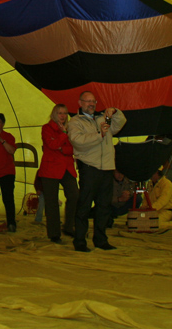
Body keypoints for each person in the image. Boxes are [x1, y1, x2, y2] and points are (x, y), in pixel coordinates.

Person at [68, 91, 126, 252]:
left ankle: (101, 240)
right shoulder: (75, 122)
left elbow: (120, 123)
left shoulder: (102, 118)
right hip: (89, 168)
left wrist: (114, 111)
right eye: (87, 101)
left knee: (104, 206)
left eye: (93, 101)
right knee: (84, 206)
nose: (91, 104)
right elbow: (78, 142)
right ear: (80, 103)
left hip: (107, 168)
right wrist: (99, 134)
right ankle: (79, 241)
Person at [36, 103, 78, 243]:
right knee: (51, 201)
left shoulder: (71, 128)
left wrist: (62, 147)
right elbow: (52, 145)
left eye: (65, 113)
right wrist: (64, 135)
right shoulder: (46, 128)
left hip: (66, 167)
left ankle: (68, 226)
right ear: (54, 114)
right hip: (50, 169)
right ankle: (54, 234)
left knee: (74, 194)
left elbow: (73, 149)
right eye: (60, 113)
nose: (63, 116)